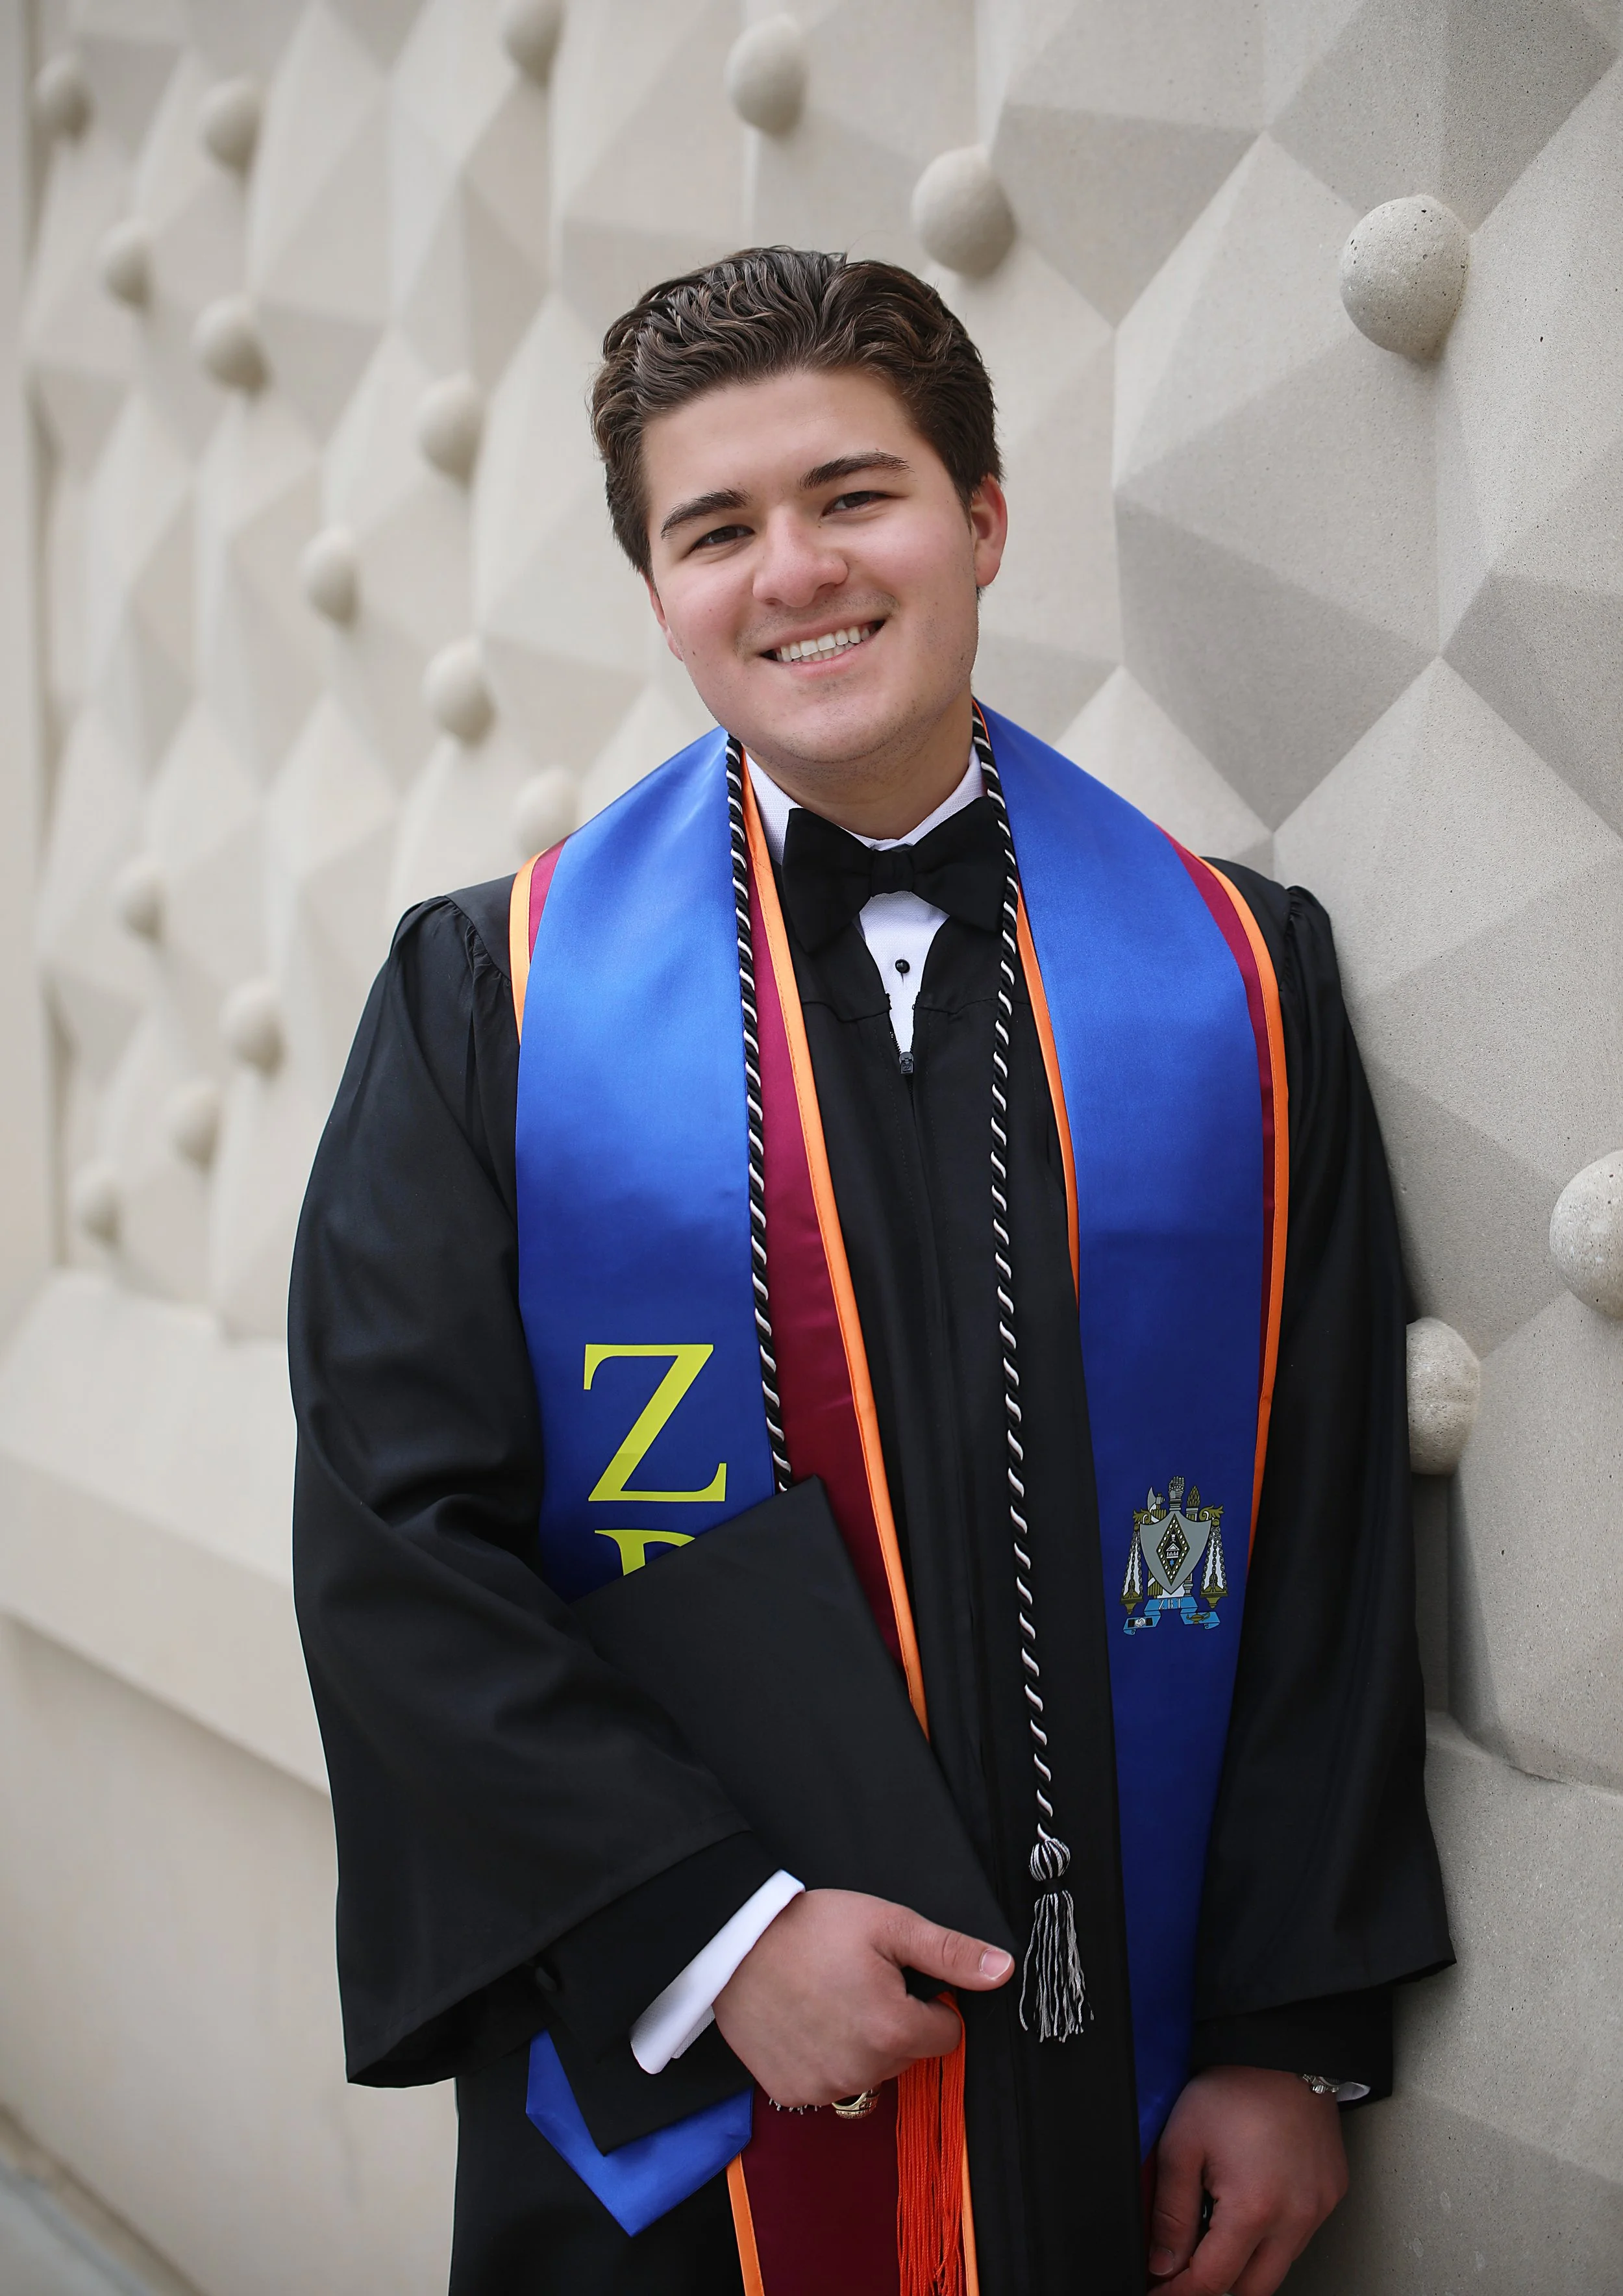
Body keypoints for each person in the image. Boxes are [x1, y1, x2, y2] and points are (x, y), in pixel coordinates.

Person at [290, 247, 1452, 2296]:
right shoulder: (498, 999)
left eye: (854, 496)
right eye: (714, 528)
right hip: (698, 2117)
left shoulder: (1235, 988)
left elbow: (1318, 1532)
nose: (792, 572)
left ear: (980, 521)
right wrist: (708, 1931)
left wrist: (1285, 2036)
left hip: (1131, 2082)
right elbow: (399, 1544)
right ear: (656, 590)